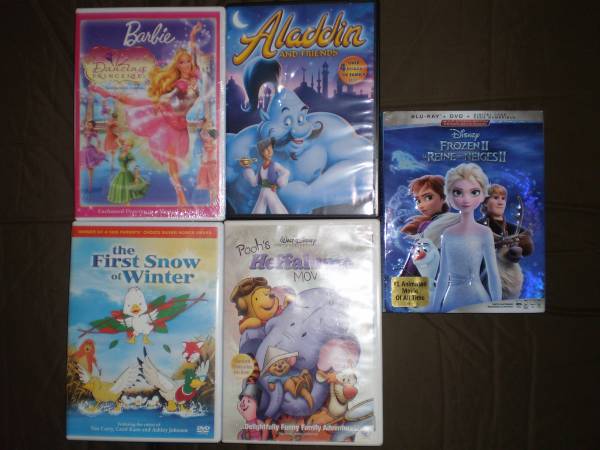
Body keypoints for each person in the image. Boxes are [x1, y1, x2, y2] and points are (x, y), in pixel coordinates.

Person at [90, 22, 208, 205]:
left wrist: (192, 36)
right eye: (181, 62)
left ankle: (181, 198)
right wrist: (162, 101)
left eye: (187, 61)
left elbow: (193, 53)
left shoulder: (195, 74)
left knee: (175, 160)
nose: (185, 64)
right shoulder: (179, 83)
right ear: (177, 66)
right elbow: (172, 95)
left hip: (180, 124)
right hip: (167, 118)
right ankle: (181, 198)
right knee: (139, 103)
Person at [431, 163, 501, 312]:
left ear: (482, 195)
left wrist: (498, 307)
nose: (466, 199)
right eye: (458, 192)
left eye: (474, 192)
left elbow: (493, 274)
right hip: (452, 300)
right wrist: (436, 307)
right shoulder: (448, 234)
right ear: (450, 196)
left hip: (478, 298)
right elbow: (443, 275)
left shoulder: (484, 232)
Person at [478, 183, 534, 299]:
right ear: (485, 202)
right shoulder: (477, 227)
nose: (500, 202)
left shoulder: (516, 229)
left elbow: (527, 249)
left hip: (510, 279)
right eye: (495, 198)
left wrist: (519, 246)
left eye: (503, 198)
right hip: (483, 279)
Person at [399, 175, 448, 276]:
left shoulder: (431, 225)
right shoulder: (424, 225)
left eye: (428, 197)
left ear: (443, 198)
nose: (421, 205)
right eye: (418, 200)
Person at [241, 137, 290, 214]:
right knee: (259, 210)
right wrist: (248, 168)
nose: (269, 152)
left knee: (276, 209)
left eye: (271, 149)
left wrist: (280, 181)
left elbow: (286, 172)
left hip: (270, 191)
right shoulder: (261, 167)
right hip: (263, 191)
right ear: (262, 152)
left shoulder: (275, 165)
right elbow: (255, 182)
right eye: (266, 150)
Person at [107, 139, 148, 205]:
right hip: (120, 174)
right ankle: (126, 206)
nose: (126, 146)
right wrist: (119, 140)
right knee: (119, 190)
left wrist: (136, 178)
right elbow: (118, 141)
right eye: (125, 145)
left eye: (128, 145)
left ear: (131, 147)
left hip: (126, 175)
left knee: (126, 194)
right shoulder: (121, 150)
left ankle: (127, 206)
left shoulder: (130, 155)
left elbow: (136, 167)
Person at [195, 119, 218, 204]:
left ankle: (214, 199)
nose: (207, 126)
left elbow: (209, 137)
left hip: (212, 161)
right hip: (206, 162)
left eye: (209, 124)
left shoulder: (212, 132)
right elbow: (202, 134)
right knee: (208, 183)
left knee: (213, 182)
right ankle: (212, 200)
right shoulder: (204, 134)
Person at [82, 120, 105, 193]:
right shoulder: (86, 131)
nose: (88, 126)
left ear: (93, 126)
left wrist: (98, 149)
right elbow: (85, 139)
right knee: (88, 167)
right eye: (88, 124)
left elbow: (99, 141)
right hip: (85, 150)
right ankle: (90, 184)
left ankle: (90, 184)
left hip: (91, 151)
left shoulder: (93, 133)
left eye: (90, 125)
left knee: (90, 167)